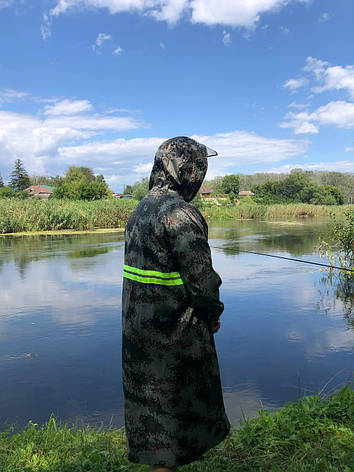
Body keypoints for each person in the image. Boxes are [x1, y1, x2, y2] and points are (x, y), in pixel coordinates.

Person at [121, 136, 231, 471]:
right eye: (199, 168)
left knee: (156, 428)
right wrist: (214, 315)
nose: (200, 176)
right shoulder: (180, 214)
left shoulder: (139, 210)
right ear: (186, 170)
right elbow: (203, 283)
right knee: (172, 427)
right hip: (173, 340)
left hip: (138, 336)